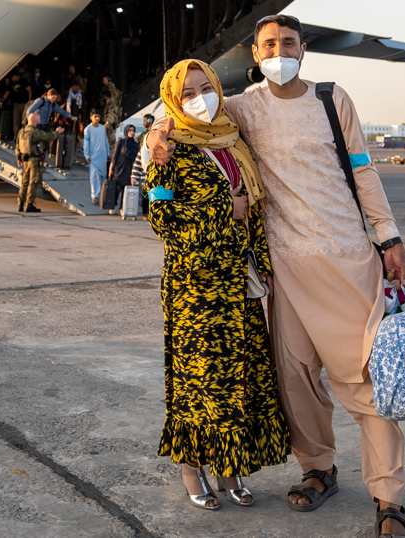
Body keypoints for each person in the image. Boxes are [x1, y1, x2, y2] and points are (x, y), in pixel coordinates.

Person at [149, 14, 405, 537]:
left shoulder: (332, 101)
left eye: (287, 43)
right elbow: (188, 115)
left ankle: (389, 498)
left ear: (304, 49)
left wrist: (389, 238)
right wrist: (157, 131)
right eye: (269, 44)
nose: (278, 52)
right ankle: (318, 468)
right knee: (296, 383)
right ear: (254, 53)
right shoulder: (245, 109)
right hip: (285, 271)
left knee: (363, 383)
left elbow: (363, 168)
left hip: (345, 259)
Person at [144, 59, 290, 510]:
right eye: (187, 93)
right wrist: (228, 216)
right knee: (200, 381)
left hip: (239, 283)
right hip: (196, 288)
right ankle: (192, 468)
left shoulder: (232, 139)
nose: (198, 99)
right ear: (172, 99)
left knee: (239, 379)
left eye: (205, 88)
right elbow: (161, 219)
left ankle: (230, 468)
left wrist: (262, 262)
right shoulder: (167, 149)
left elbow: (257, 209)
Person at [15, 112, 64, 212]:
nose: (39, 122)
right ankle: (29, 204)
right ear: (34, 121)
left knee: (25, 182)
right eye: (38, 120)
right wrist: (57, 132)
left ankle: (20, 203)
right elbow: (48, 136)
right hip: (35, 160)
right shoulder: (34, 132)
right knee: (33, 182)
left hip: (26, 160)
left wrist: (19, 159)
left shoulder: (22, 131)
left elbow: (17, 147)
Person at [108, 124, 139, 211]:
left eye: (133, 130)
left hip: (130, 169)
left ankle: (123, 207)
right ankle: (113, 205)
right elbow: (115, 156)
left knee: (127, 189)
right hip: (120, 168)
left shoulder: (135, 144)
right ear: (126, 131)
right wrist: (111, 168)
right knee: (117, 188)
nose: (132, 132)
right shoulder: (121, 142)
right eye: (130, 130)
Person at [83, 110, 109, 205]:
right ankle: (95, 195)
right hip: (93, 157)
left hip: (102, 156)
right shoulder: (88, 129)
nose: (97, 118)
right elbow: (86, 143)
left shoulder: (102, 128)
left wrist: (108, 152)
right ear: (91, 117)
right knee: (94, 177)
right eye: (95, 116)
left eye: (98, 116)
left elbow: (105, 141)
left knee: (103, 176)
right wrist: (87, 155)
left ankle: (102, 195)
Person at [0, 73, 31, 141]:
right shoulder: (11, 83)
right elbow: (7, 93)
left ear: (17, 76)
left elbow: (29, 91)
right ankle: (15, 137)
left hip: (24, 104)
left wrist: (29, 102)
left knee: (23, 121)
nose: (12, 79)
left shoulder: (23, 81)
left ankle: (23, 136)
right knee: (15, 121)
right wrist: (1, 101)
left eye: (13, 77)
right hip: (15, 104)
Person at [100, 74, 122, 150]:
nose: (103, 82)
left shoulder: (111, 90)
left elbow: (112, 106)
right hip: (113, 117)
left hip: (111, 118)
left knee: (110, 141)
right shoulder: (113, 89)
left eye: (104, 80)